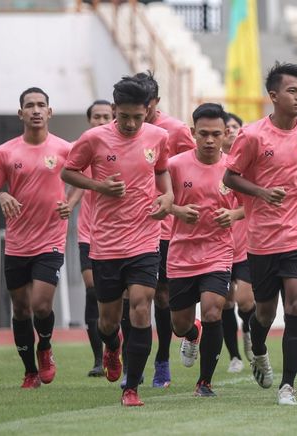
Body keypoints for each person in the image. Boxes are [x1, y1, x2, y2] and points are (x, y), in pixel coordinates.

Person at [223, 62, 297, 405]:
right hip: (262, 240)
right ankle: (257, 350)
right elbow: (230, 177)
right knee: (265, 313)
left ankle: (288, 386)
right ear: (273, 95)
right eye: (292, 91)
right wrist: (261, 193)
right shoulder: (253, 135)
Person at [61, 76, 173, 406]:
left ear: (148, 111)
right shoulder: (93, 139)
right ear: (113, 110)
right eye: (124, 116)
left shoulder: (158, 136)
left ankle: (132, 388)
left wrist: (167, 198)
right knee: (108, 321)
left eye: (138, 116)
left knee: (141, 307)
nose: (131, 123)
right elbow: (68, 172)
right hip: (106, 242)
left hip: (144, 238)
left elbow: (162, 170)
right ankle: (112, 346)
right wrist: (99, 187)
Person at [0, 87, 77, 389]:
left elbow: (84, 178)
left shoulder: (64, 149)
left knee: (40, 305)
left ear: (49, 112)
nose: (36, 110)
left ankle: (45, 346)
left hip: (50, 239)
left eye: (41, 105)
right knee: (20, 308)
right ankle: (29, 372)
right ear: (20, 113)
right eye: (29, 105)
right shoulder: (6, 152)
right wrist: (1, 196)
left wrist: (71, 203)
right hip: (17, 242)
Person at [169, 103, 242, 397]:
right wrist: (177, 210)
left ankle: (205, 383)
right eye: (203, 134)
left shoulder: (235, 168)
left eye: (216, 134)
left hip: (218, 251)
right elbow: (155, 200)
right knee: (179, 324)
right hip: (181, 253)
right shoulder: (175, 166)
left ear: (226, 134)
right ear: (192, 133)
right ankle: (192, 333)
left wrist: (233, 215)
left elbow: (252, 204)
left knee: (214, 311)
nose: (210, 140)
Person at [132, 71, 196, 388]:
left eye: (145, 104)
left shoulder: (176, 131)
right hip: (132, 228)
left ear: (155, 102)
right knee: (134, 298)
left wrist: (178, 209)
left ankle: (162, 361)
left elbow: (193, 171)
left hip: (168, 228)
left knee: (162, 296)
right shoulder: (122, 132)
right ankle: (135, 360)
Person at [79, 100, 114, 377]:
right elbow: (73, 181)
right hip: (88, 232)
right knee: (93, 291)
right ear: (89, 120)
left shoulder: (121, 147)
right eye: (96, 117)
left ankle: (115, 348)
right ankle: (97, 359)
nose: (101, 121)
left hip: (119, 235)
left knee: (119, 298)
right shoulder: (85, 147)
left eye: (106, 116)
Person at [221, 112, 256, 371]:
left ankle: (248, 330)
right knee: (224, 301)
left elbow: (257, 201)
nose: (231, 131)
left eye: (235, 126)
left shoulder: (249, 165)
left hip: (245, 244)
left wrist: (235, 213)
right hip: (218, 245)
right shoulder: (210, 164)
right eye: (226, 127)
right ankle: (234, 356)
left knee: (245, 300)